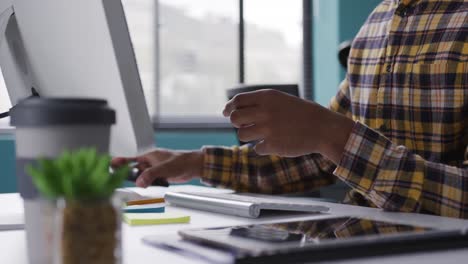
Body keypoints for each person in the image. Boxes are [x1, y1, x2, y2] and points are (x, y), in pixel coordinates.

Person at [113, 0, 467, 219]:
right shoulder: (376, 25)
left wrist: (333, 135)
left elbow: (338, 146)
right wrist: (196, 163)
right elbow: (322, 158)